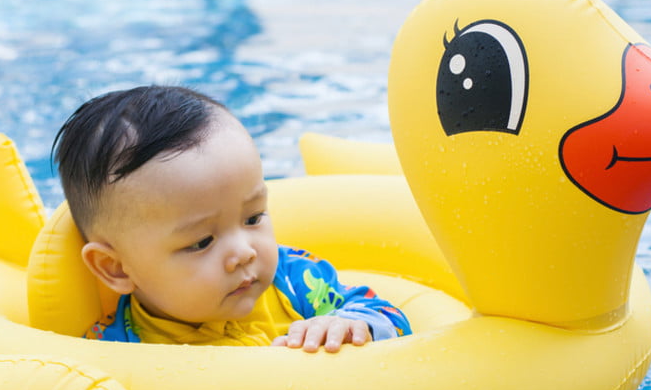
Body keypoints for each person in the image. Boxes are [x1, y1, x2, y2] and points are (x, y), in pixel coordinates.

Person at [51, 85, 411, 352]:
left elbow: (392, 318)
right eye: (202, 242)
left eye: (253, 218)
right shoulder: (117, 350)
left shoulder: (294, 280)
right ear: (116, 268)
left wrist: (349, 324)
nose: (244, 251)